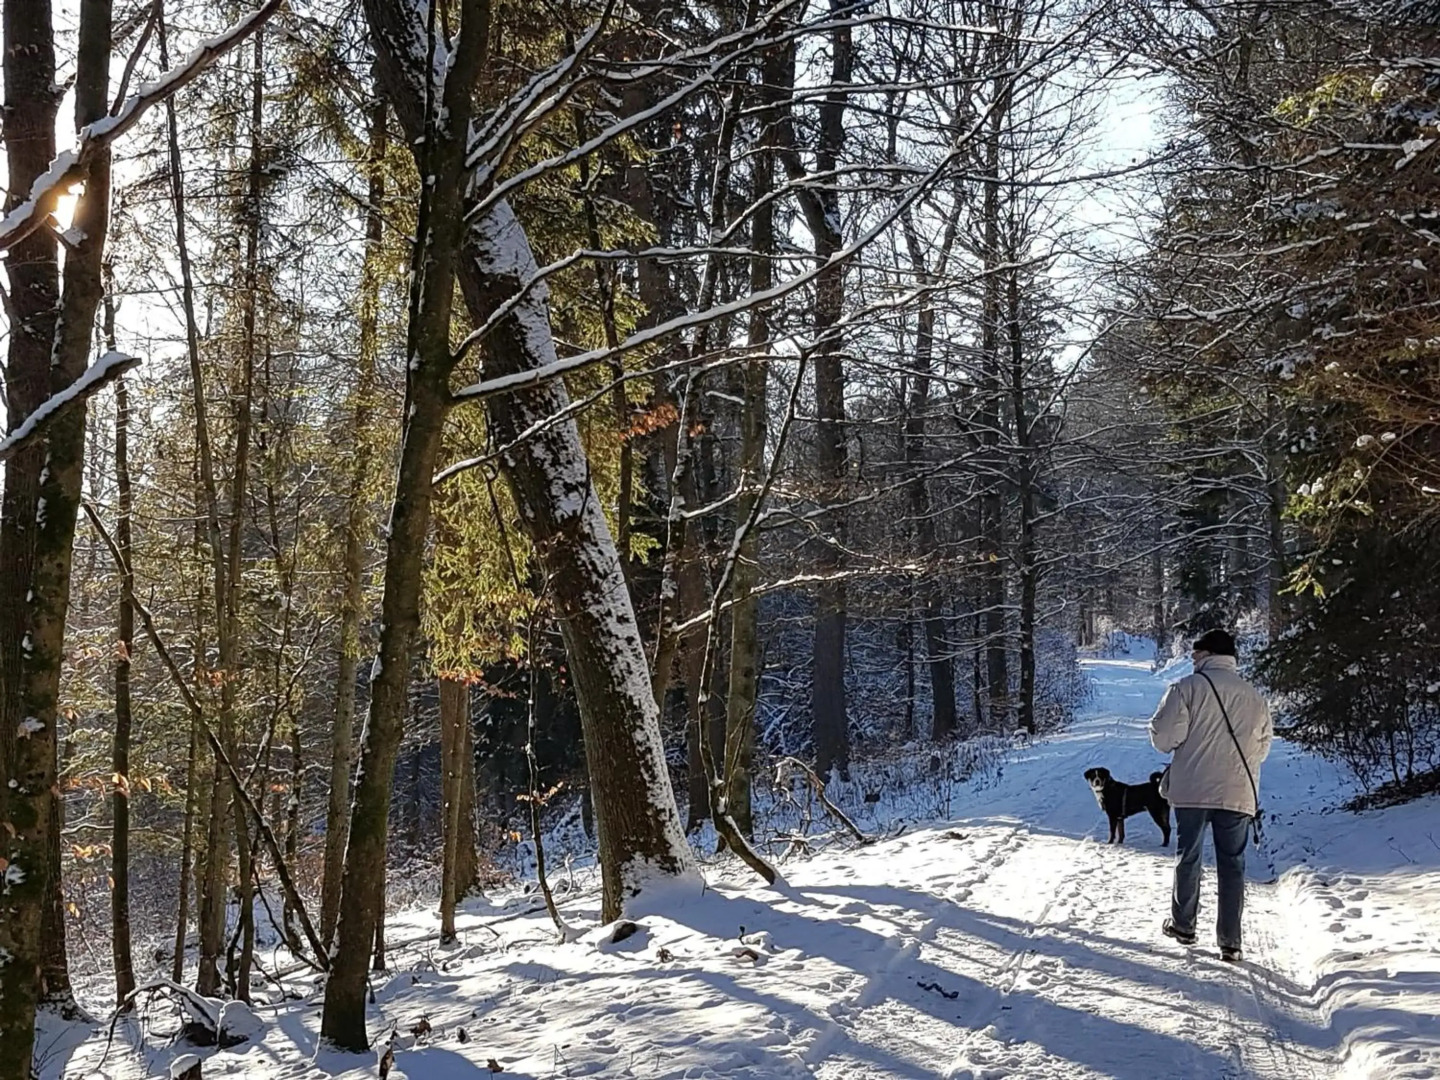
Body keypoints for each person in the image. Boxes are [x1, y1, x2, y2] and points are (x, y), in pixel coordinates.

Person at [1149, 628, 1273, 962]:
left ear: (1207, 654)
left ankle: (1183, 925)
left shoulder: (1186, 689)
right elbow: (1261, 748)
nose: (1191, 659)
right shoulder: (1254, 695)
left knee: (1188, 856)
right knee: (1232, 864)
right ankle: (1231, 942)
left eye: (1195, 654)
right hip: (1237, 792)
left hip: (1191, 789)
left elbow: (1164, 738)